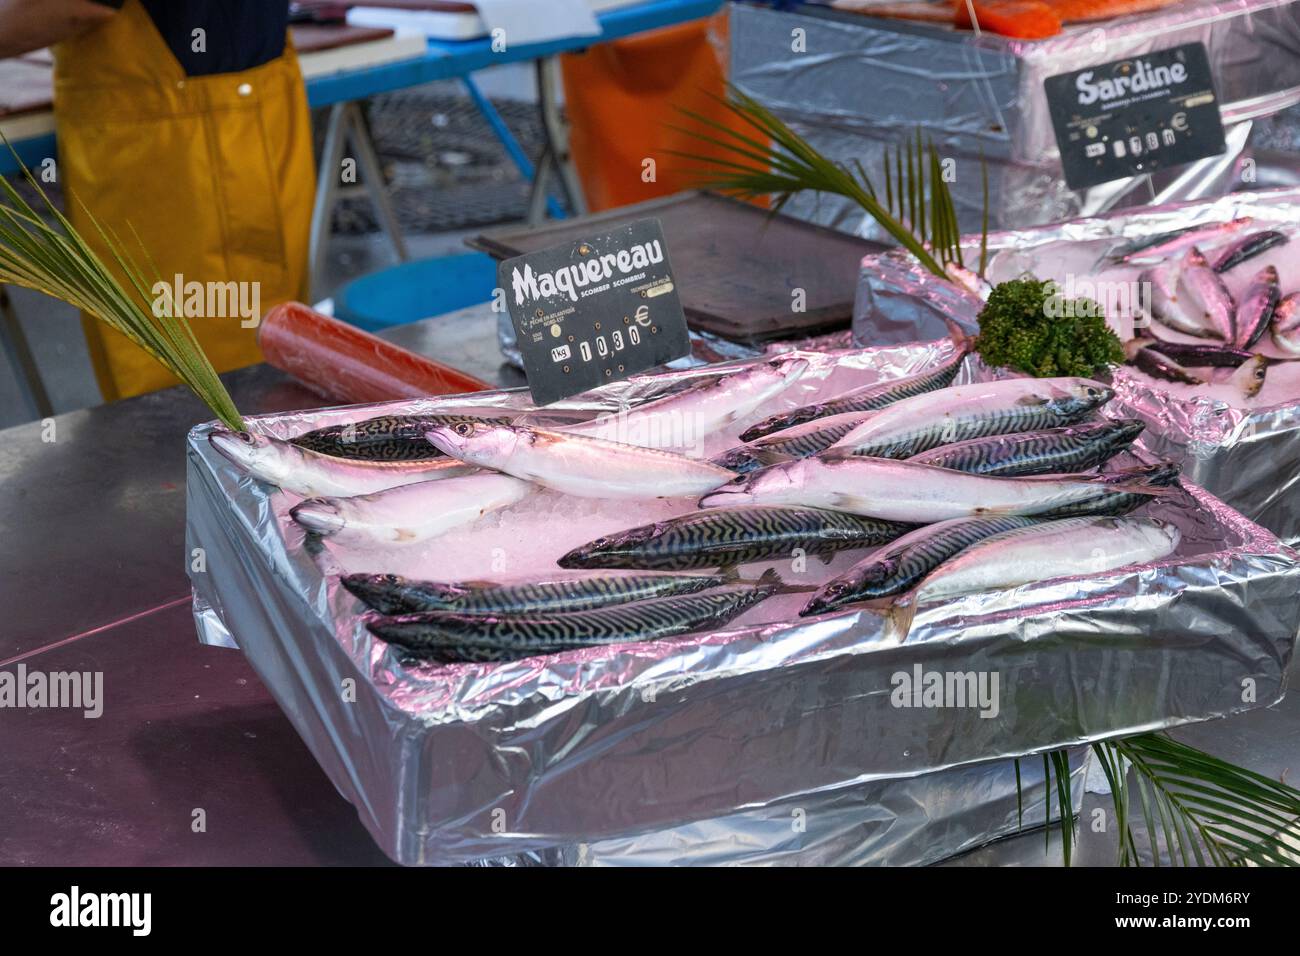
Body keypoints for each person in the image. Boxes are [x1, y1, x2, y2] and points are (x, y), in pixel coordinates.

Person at [0, 0, 314, 400]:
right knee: (243, 402)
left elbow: (76, 5)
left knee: (202, 412)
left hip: (192, 160)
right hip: (216, 130)